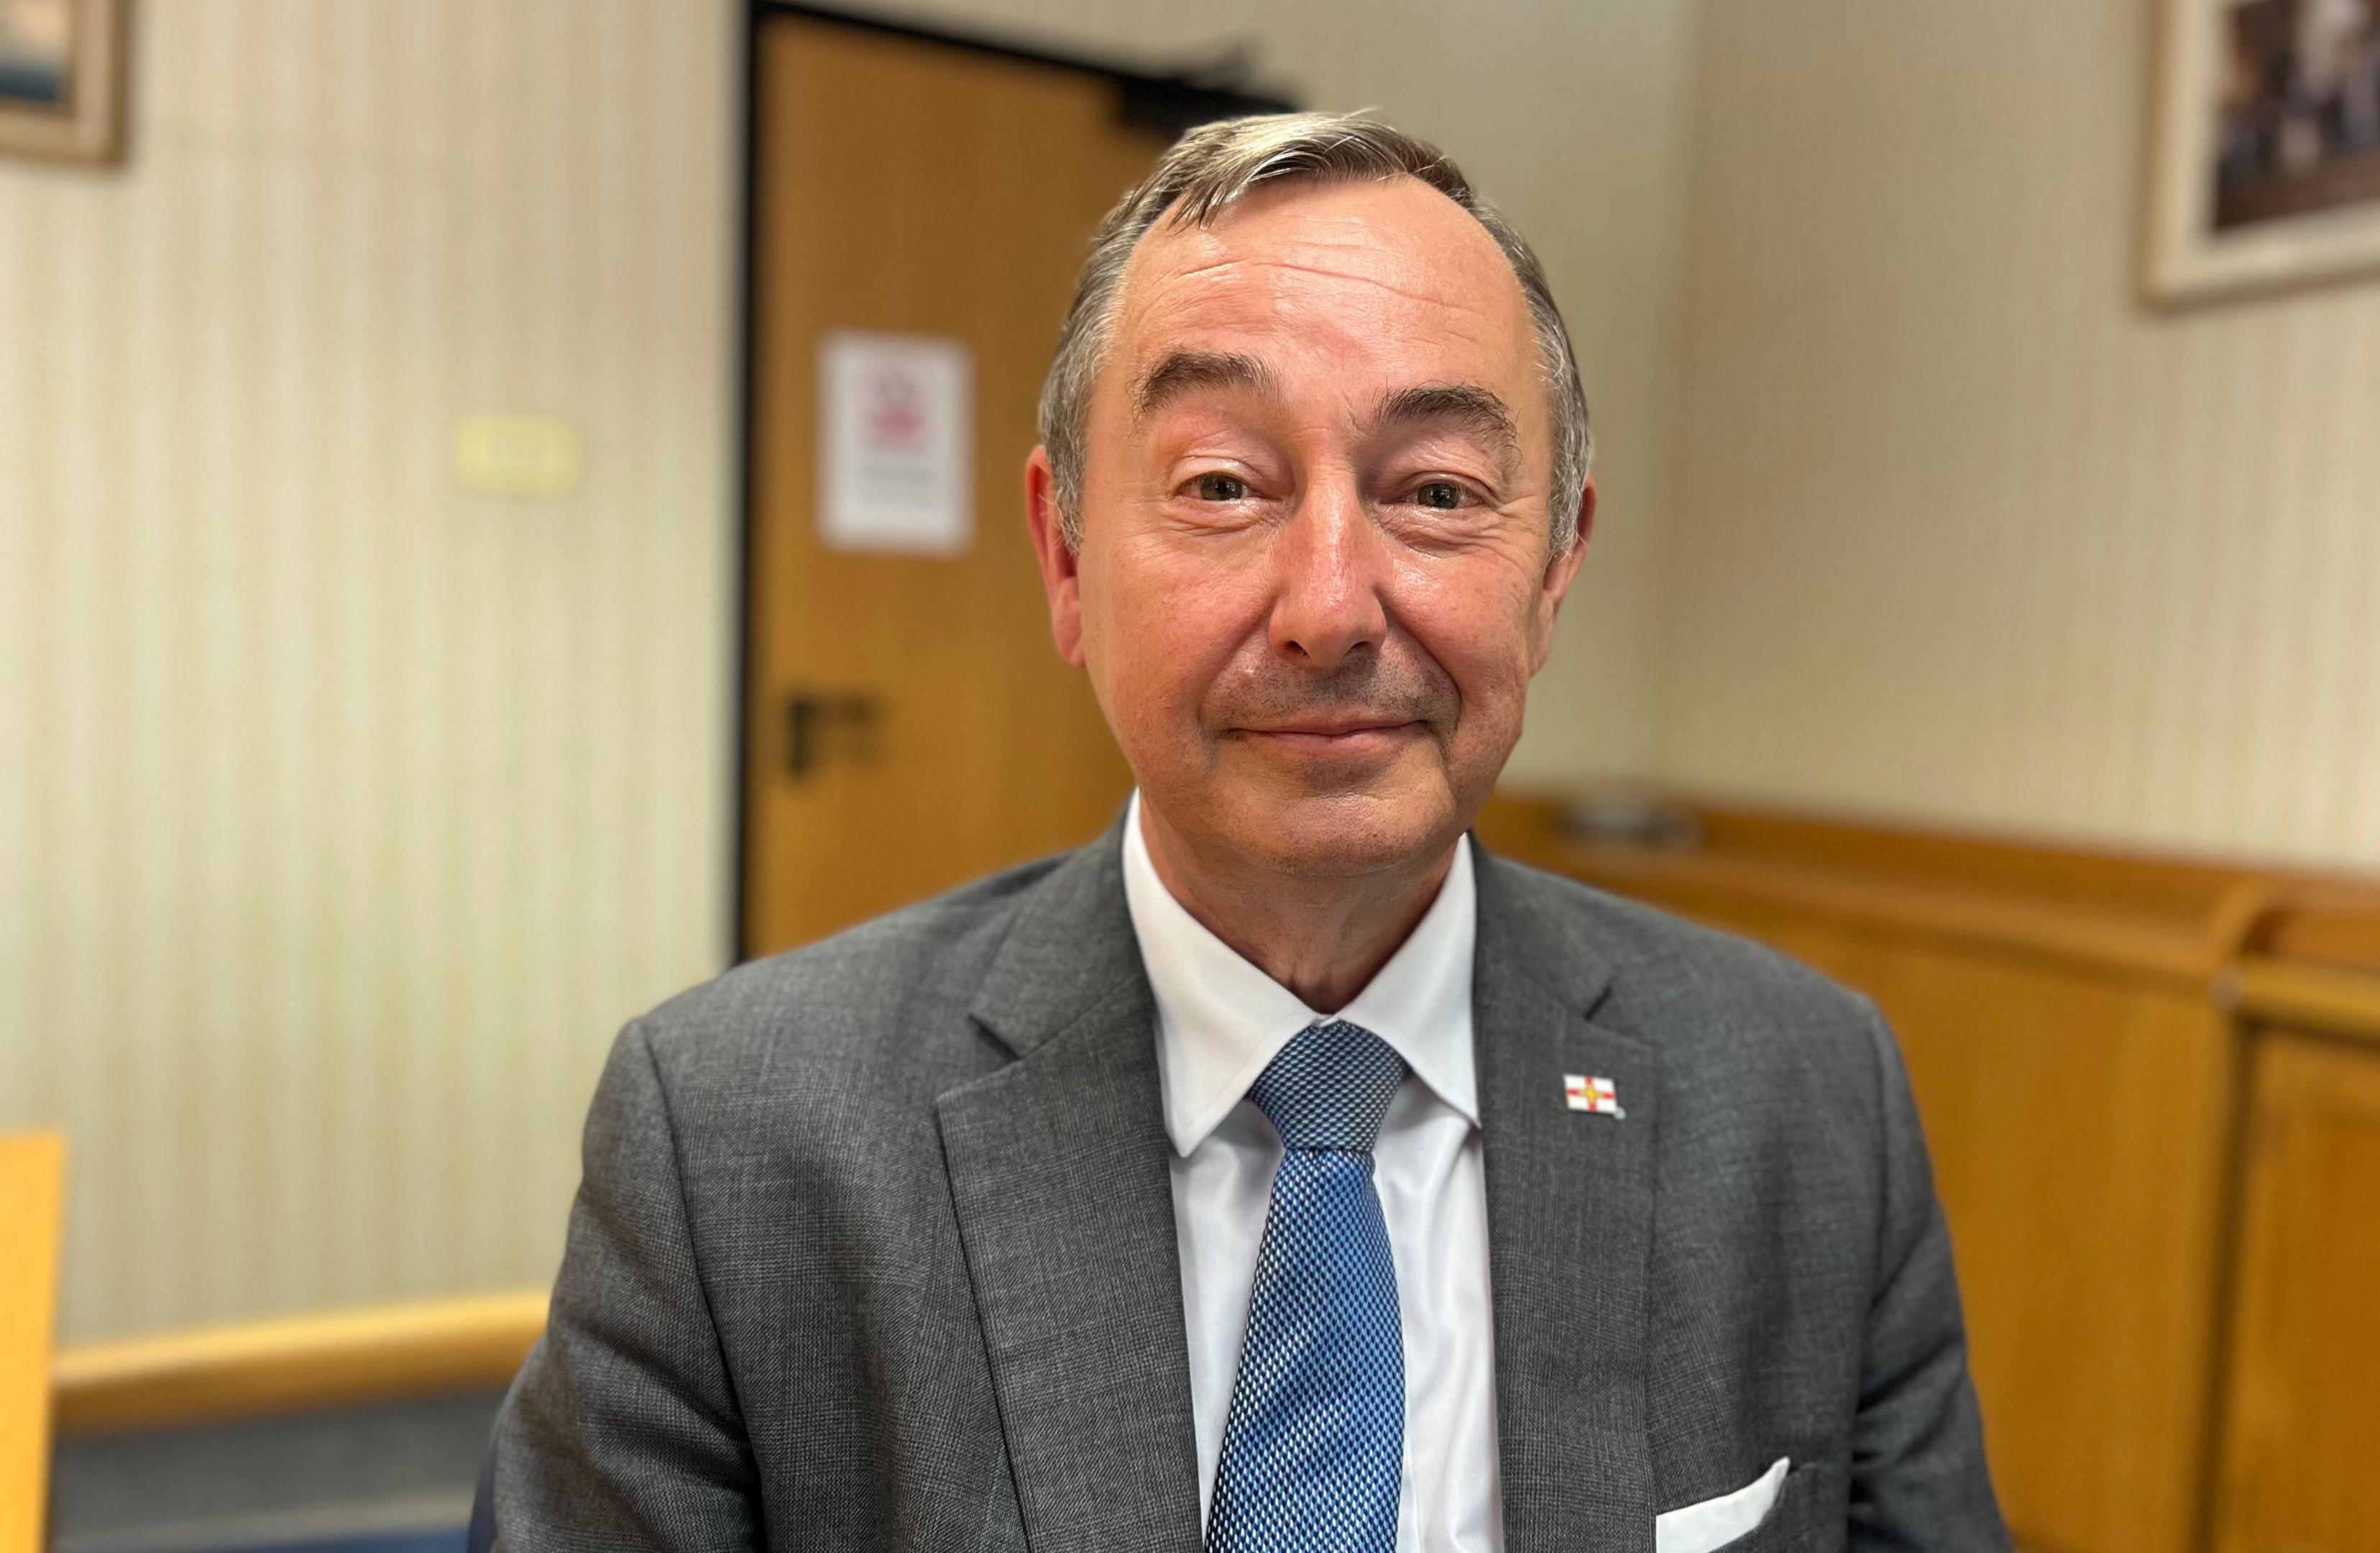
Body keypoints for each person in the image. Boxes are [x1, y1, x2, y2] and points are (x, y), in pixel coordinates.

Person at [479, 111, 2006, 1552]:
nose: (1331, 606)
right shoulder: (738, 1139)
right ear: (1066, 555)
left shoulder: (1809, 1102)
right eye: (1222, 483)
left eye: (1436, 489)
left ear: (1555, 571)